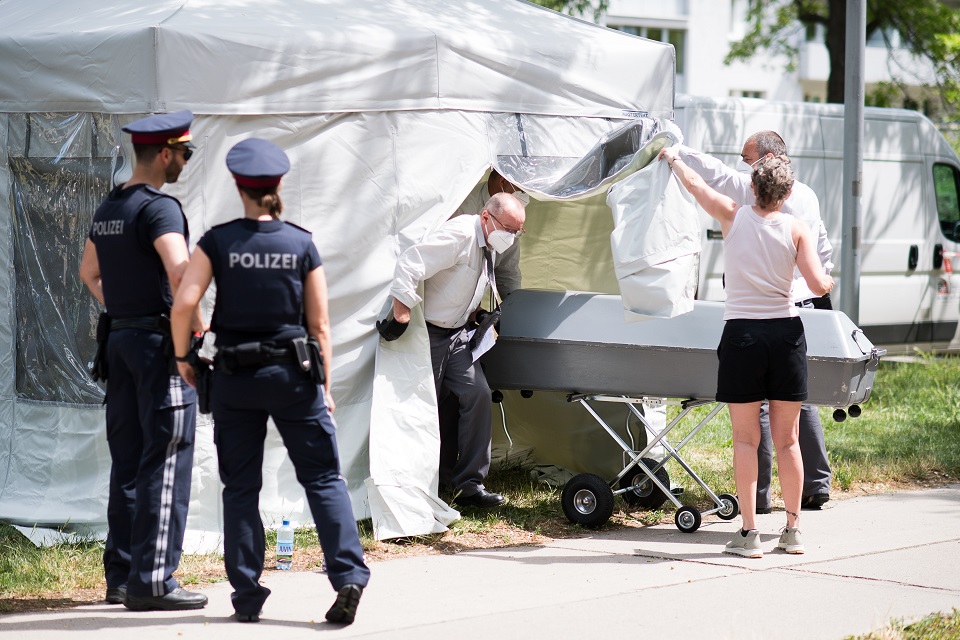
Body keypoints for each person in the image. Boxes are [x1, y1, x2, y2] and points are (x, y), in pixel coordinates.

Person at [169, 138, 370, 624]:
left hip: (235, 378)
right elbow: (320, 325)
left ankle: (246, 595)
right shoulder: (301, 243)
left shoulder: (216, 242)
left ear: (239, 188)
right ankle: (346, 576)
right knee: (323, 477)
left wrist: (184, 357)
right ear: (278, 186)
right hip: (293, 376)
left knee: (240, 488)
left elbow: (183, 302)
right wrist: (324, 386)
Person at [658, 146, 833, 557]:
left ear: (752, 186)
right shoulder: (797, 229)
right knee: (789, 440)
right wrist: (827, 282)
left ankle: (750, 533)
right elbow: (816, 282)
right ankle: (792, 530)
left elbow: (697, 184)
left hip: (742, 337)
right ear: (787, 194)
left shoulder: (733, 217)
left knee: (745, 439)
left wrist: (674, 158)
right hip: (786, 337)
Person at [78, 110, 208, 610]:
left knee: (129, 460)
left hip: (120, 343)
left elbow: (89, 271)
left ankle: (123, 575)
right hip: (158, 346)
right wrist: (194, 331)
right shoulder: (160, 208)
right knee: (167, 456)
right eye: (185, 153)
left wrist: (124, 306)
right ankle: (153, 581)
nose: (186, 162)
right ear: (165, 153)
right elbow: (181, 273)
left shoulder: (110, 207)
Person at [378, 192, 527, 508]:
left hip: (459, 334)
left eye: (517, 231)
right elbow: (410, 263)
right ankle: (411, 484)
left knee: (478, 394)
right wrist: (402, 314)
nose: (511, 237)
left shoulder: (488, 244)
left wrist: (476, 315)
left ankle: (469, 485)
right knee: (422, 406)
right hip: (429, 333)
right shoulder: (459, 233)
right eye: (509, 229)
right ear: (486, 217)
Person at [452, 169, 530, 297]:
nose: (526, 197)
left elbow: (508, 271)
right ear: (503, 182)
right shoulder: (462, 208)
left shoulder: (512, 211)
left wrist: (515, 305)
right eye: (522, 191)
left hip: (468, 306)